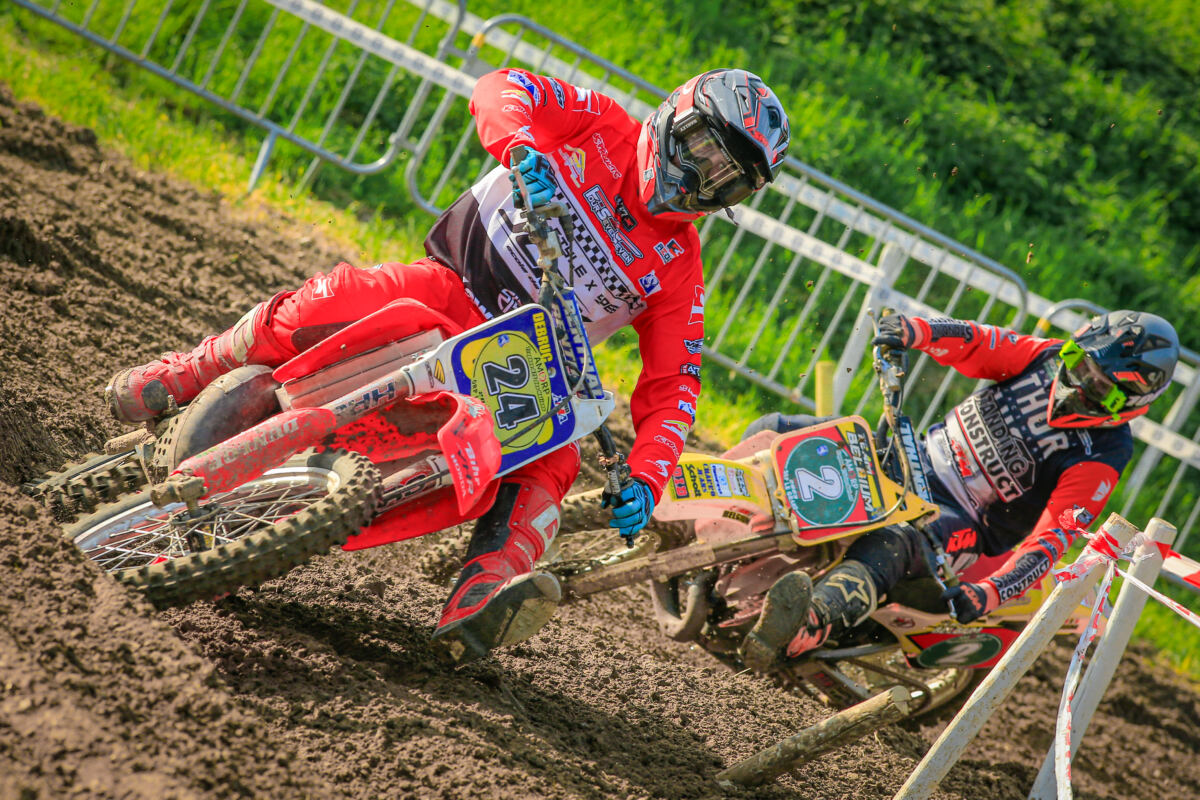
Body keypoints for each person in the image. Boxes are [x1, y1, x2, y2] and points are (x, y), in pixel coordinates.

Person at [104, 67, 791, 662]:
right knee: (338, 295)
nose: (705, 179)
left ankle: (486, 593)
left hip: (526, 362)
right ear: (676, 115)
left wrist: (645, 476)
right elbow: (502, 88)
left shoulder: (679, 268)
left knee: (555, 461)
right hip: (453, 287)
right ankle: (189, 370)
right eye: (706, 149)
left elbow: (675, 386)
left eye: (729, 180)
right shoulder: (598, 123)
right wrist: (520, 145)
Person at [739, 310, 1180, 671]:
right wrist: (913, 330)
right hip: (910, 455)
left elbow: (1050, 540)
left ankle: (808, 622)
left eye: (1099, 386)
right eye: (1080, 365)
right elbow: (977, 342)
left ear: (1130, 401)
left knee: (892, 543)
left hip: (961, 525)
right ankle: (719, 523)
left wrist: (989, 592)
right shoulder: (1044, 357)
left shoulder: (1105, 452)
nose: (1078, 384)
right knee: (778, 430)